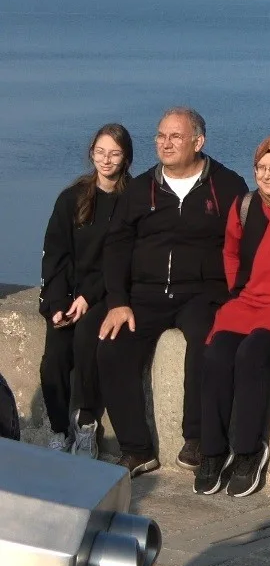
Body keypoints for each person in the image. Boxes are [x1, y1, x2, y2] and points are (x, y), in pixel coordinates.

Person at [98, 107, 248, 476]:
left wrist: (236, 297)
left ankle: (196, 439)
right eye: (161, 136)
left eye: (176, 136)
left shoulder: (228, 186)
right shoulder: (139, 188)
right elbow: (116, 246)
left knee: (205, 340)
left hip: (202, 292)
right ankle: (136, 449)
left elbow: (244, 245)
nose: (165, 143)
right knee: (111, 347)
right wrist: (118, 302)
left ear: (198, 141)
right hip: (146, 294)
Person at [195, 134, 270, 498]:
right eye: (261, 167)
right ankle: (213, 452)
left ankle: (248, 451)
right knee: (215, 355)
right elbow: (230, 249)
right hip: (247, 302)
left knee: (252, 355)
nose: (268, 175)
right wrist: (236, 289)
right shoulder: (245, 205)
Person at [39, 123, 133, 457]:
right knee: (54, 358)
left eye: (115, 154)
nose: (106, 160)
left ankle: (86, 423)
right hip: (69, 292)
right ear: (91, 152)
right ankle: (58, 429)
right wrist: (57, 303)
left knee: (86, 344)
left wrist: (87, 298)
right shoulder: (72, 198)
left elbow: (121, 259)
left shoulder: (130, 200)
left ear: (126, 157)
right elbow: (55, 254)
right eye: (100, 152)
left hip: (107, 292)